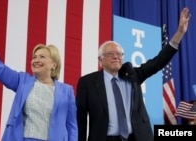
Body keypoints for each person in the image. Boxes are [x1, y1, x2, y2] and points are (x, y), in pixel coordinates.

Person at [76, 7, 191, 141]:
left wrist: (179, 33)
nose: (116, 57)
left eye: (119, 54)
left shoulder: (132, 75)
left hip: (136, 137)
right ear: (100, 60)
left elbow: (158, 62)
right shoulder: (87, 82)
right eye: (110, 54)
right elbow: (81, 119)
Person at [0, 10, 78, 141]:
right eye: (34, 57)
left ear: (54, 64)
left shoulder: (67, 91)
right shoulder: (22, 81)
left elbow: (72, 126)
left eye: (42, 57)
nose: (36, 60)